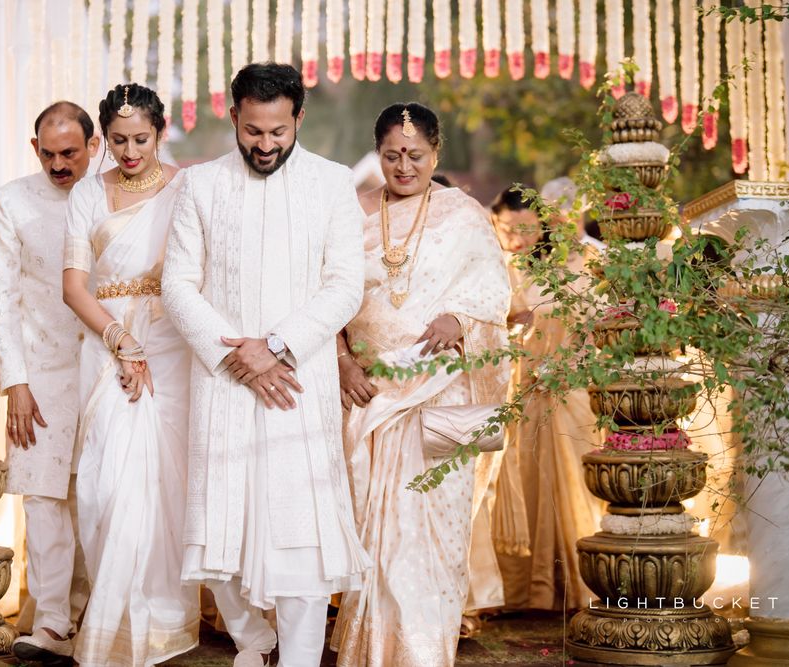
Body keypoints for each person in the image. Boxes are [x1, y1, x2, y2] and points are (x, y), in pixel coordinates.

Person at [162, 63, 371, 667]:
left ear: (298, 119)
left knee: (299, 529)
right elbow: (178, 285)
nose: (265, 144)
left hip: (297, 383)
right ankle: (254, 640)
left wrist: (275, 345)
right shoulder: (199, 185)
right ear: (233, 117)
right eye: (253, 130)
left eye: (278, 131)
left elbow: (344, 287)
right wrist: (237, 355)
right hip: (224, 382)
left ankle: (301, 659)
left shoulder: (331, 184)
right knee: (221, 530)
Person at [330, 103, 512, 666]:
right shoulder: (350, 214)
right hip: (372, 394)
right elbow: (325, 300)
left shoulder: (462, 213)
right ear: (376, 154)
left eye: (415, 155)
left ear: (438, 153)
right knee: (376, 538)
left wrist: (458, 319)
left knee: (433, 534)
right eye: (391, 156)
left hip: (441, 395)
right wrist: (341, 361)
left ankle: (425, 653)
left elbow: (493, 292)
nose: (403, 166)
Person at [61, 83, 199, 666]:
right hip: (106, 343)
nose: (130, 151)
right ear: (103, 141)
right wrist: (120, 341)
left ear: (161, 132)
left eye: (141, 138)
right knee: (105, 485)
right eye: (117, 141)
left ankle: (164, 620)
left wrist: (147, 343)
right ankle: (114, 616)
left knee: (169, 483)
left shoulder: (188, 189)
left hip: (173, 343)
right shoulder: (88, 196)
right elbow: (72, 287)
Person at [0, 101, 98, 661]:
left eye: (70, 153)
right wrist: (16, 382)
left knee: (95, 496)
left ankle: (89, 614)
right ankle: (53, 621)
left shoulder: (114, 196)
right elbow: (0, 298)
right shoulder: (10, 201)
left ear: (93, 146)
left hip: (106, 369)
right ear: (35, 150)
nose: (59, 164)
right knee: (44, 497)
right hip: (41, 374)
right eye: (49, 154)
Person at [489, 186, 605, 611]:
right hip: (525, 388)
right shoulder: (512, 268)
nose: (521, 237)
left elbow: (600, 328)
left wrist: (573, 364)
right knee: (527, 483)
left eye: (568, 213)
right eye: (510, 228)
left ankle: (581, 584)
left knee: (577, 486)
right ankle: (529, 591)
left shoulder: (590, 264)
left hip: (573, 390)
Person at [539, 176, 606, 250]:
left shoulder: (603, 255)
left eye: (575, 222)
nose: (567, 233)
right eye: (559, 223)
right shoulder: (539, 254)